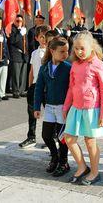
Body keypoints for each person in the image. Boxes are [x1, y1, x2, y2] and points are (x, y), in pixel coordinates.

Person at [63, 31, 103, 186]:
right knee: (69, 139)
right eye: (76, 49)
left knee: (90, 141)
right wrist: (66, 107)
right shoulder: (75, 65)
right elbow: (71, 87)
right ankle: (82, 167)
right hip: (76, 108)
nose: (79, 52)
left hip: (92, 110)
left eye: (82, 48)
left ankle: (95, 172)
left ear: (92, 47)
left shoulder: (100, 66)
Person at [34, 36, 71, 177]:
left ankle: (64, 162)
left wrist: (70, 107)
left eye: (67, 51)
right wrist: (37, 107)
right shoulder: (44, 68)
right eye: (62, 51)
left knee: (62, 138)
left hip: (63, 108)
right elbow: (38, 88)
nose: (65, 54)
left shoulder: (68, 68)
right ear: (52, 50)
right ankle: (54, 157)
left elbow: (72, 89)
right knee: (46, 135)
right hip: (49, 107)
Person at [19, 25, 50, 149]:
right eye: (41, 37)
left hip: (47, 87)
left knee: (49, 113)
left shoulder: (51, 52)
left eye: (46, 37)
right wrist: (30, 86)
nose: (44, 39)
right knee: (32, 112)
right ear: (36, 38)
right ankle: (31, 137)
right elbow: (32, 71)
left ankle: (52, 138)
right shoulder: (34, 53)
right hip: (35, 86)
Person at [8, 15, 29, 98]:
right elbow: (13, 41)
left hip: (24, 54)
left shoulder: (24, 29)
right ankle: (16, 91)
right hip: (16, 54)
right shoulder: (12, 29)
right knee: (16, 74)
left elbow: (26, 43)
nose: (19, 23)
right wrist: (20, 33)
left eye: (21, 21)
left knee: (23, 74)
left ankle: (21, 90)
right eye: (17, 21)